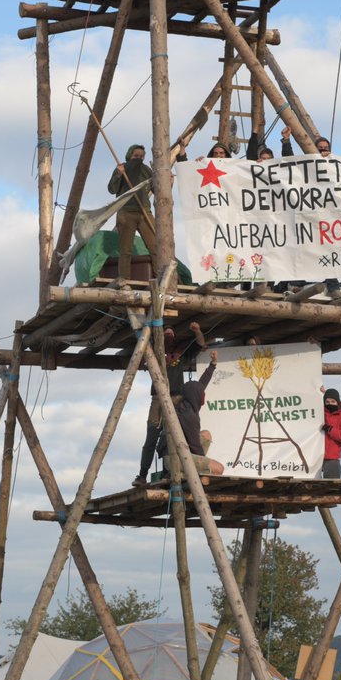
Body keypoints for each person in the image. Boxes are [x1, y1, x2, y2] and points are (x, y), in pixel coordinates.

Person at [133, 322, 206, 487]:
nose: (169, 336)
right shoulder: (153, 353)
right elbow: (142, 341)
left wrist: (197, 330)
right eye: (166, 333)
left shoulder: (180, 353)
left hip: (176, 399)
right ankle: (142, 475)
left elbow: (200, 343)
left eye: (171, 334)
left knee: (175, 435)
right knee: (151, 435)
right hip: (158, 399)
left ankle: (171, 471)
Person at [107, 144, 157, 281]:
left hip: (144, 212)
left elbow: (156, 189)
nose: (139, 159)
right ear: (130, 156)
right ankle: (124, 279)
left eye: (141, 156)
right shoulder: (122, 168)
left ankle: (160, 277)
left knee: (155, 247)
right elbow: (112, 189)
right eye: (136, 156)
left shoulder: (146, 170)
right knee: (126, 250)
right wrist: (119, 174)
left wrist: (165, 181)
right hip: (126, 212)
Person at [176, 352, 224, 475]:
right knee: (218, 469)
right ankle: (194, 474)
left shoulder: (186, 404)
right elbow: (195, 446)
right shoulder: (188, 415)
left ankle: (195, 469)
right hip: (177, 460)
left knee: (206, 434)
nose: (203, 396)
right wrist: (205, 463)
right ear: (196, 396)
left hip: (181, 451)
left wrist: (212, 365)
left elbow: (200, 385)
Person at [320, 388, 341, 479]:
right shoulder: (319, 412)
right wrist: (319, 392)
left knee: (331, 486)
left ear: (337, 402)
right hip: (314, 456)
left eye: (333, 401)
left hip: (332, 458)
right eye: (327, 402)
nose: (330, 404)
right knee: (308, 485)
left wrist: (330, 429)